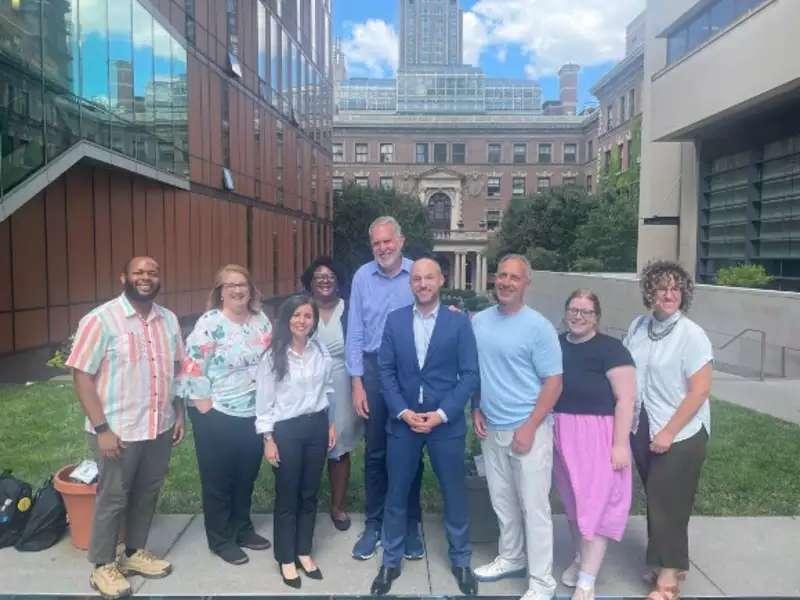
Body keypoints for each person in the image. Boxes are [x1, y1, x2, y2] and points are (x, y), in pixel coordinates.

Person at [66, 257, 185, 600]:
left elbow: (177, 369)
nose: (146, 277)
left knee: (148, 491)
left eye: (152, 272)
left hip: (158, 426)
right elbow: (82, 375)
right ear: (124, 278)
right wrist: (102, 428)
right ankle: (102, 566)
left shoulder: (169, 319)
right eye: (139, 273)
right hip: (117, 429)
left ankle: (133, 553)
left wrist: (179, 413)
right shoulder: (100, 319)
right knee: (114, 497)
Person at [370, 258, 480, 596]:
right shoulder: (395, 321)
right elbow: (385, 371)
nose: (422, 283)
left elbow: (470, 374)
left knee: (454, 493)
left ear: (441, 280)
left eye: (429, 277)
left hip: (445, 424)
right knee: (397, 493)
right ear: (410, 284)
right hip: (404, 422)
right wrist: (402, 411)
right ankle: (391, 560)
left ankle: (461, 560)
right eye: (416, 278)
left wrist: (443, 413)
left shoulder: (458, 324)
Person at [471, 254, 563, 600]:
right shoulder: (479, 321)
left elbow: (554, 382)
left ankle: (542, 583)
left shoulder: (538, 327)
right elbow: (478, 370)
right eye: (502, 275)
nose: (506, 282)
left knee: (534, 508)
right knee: (502, 501)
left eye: (514, 277)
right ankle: (511, 556)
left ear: (526, 283)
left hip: (530, 430)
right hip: (491, 427)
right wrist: (475, 406)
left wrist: (531, 425)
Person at [624, 261, 713, 600]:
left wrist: (668, 433)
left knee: (669, 502)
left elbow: (700, 391)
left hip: (682, 430)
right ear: (650, 292)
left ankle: (668, 581)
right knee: (659, 498)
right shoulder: (638, 326)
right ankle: (665, 560)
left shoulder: (692, 334)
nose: (669, 294)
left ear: (684, 294)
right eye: (662, 288)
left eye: (676, 289)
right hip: (642, 423)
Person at [178, 265, 272, 565]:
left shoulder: (261, 321)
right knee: (218, 480)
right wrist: (205, 410)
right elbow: (192, 366)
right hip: (217, 414)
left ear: (250, 288)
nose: (237, 289)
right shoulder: (210, 324)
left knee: (246, 476)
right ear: (220, 292)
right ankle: (220, 539)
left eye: (242, 283)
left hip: (254, 414)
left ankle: (242, 529)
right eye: (229, 285)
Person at [346, 216, 424, 561]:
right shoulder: (363, 276)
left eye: (387, 241)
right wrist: (357, 382)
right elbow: (355, 332)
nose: (382, 248)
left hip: (411, 370)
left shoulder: (417, 273)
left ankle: (409, 525)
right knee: (376, 452)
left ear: (401, 240)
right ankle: (375, 524)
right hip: (374, 368)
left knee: (409, 450)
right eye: (376, 243)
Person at [553, 290, 636, 600]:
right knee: (574, 508)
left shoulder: (612, 350)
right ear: (565, 312)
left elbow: (626, 400)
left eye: (586, 312)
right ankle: (580, 559)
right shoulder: (556, 344)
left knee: (596, 507)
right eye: (573, 309)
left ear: (597, 317)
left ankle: (587, 580)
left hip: (598, 436)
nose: (578, 316)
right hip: (561, 432)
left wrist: (619, 445)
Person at [255, 294, 336, 589]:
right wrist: (268, 439)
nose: (302, 321)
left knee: (309, 493)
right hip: (286, 431)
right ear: (286, 319)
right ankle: (286, 557)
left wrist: (330, 423)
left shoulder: (320, 351)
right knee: (288, 495)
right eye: (296, 315)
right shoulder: (273, 356)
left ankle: (304, 551)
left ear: (314, 321)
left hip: (316, 427)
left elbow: (327, 389)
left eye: (307, 316)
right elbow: (263, 404)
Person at [301, 257, 362, 532]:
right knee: (306, 445)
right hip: (305, 385)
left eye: (330, 276)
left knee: (339, 449)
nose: (325, 280)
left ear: (338, 281)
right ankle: (305, 506)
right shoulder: (301, 309)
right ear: (310, 283)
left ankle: (337, 506)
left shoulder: (349, 309)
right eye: (318, 276)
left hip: (342, 382)